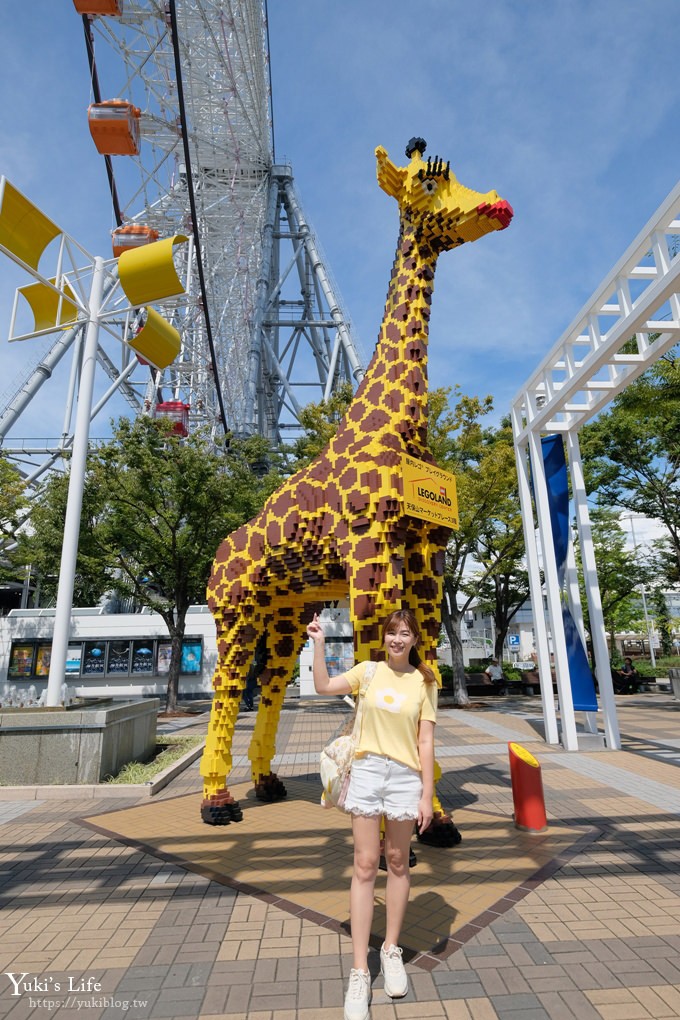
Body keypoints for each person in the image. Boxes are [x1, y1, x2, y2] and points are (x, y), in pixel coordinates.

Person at [306, 607, 436, 1020]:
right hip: (365, 772)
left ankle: (391, 949)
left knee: (397, 861)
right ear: (384, 637)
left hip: (404, 777)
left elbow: (426, 742)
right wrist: (320, 643)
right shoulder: (368, 671)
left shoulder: (425, 681)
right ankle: (360, 971)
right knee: (365, 864)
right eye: (393, 633)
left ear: (415, 640)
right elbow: (324, 685)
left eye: (406, 633)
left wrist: (427, 795)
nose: (398, 639)